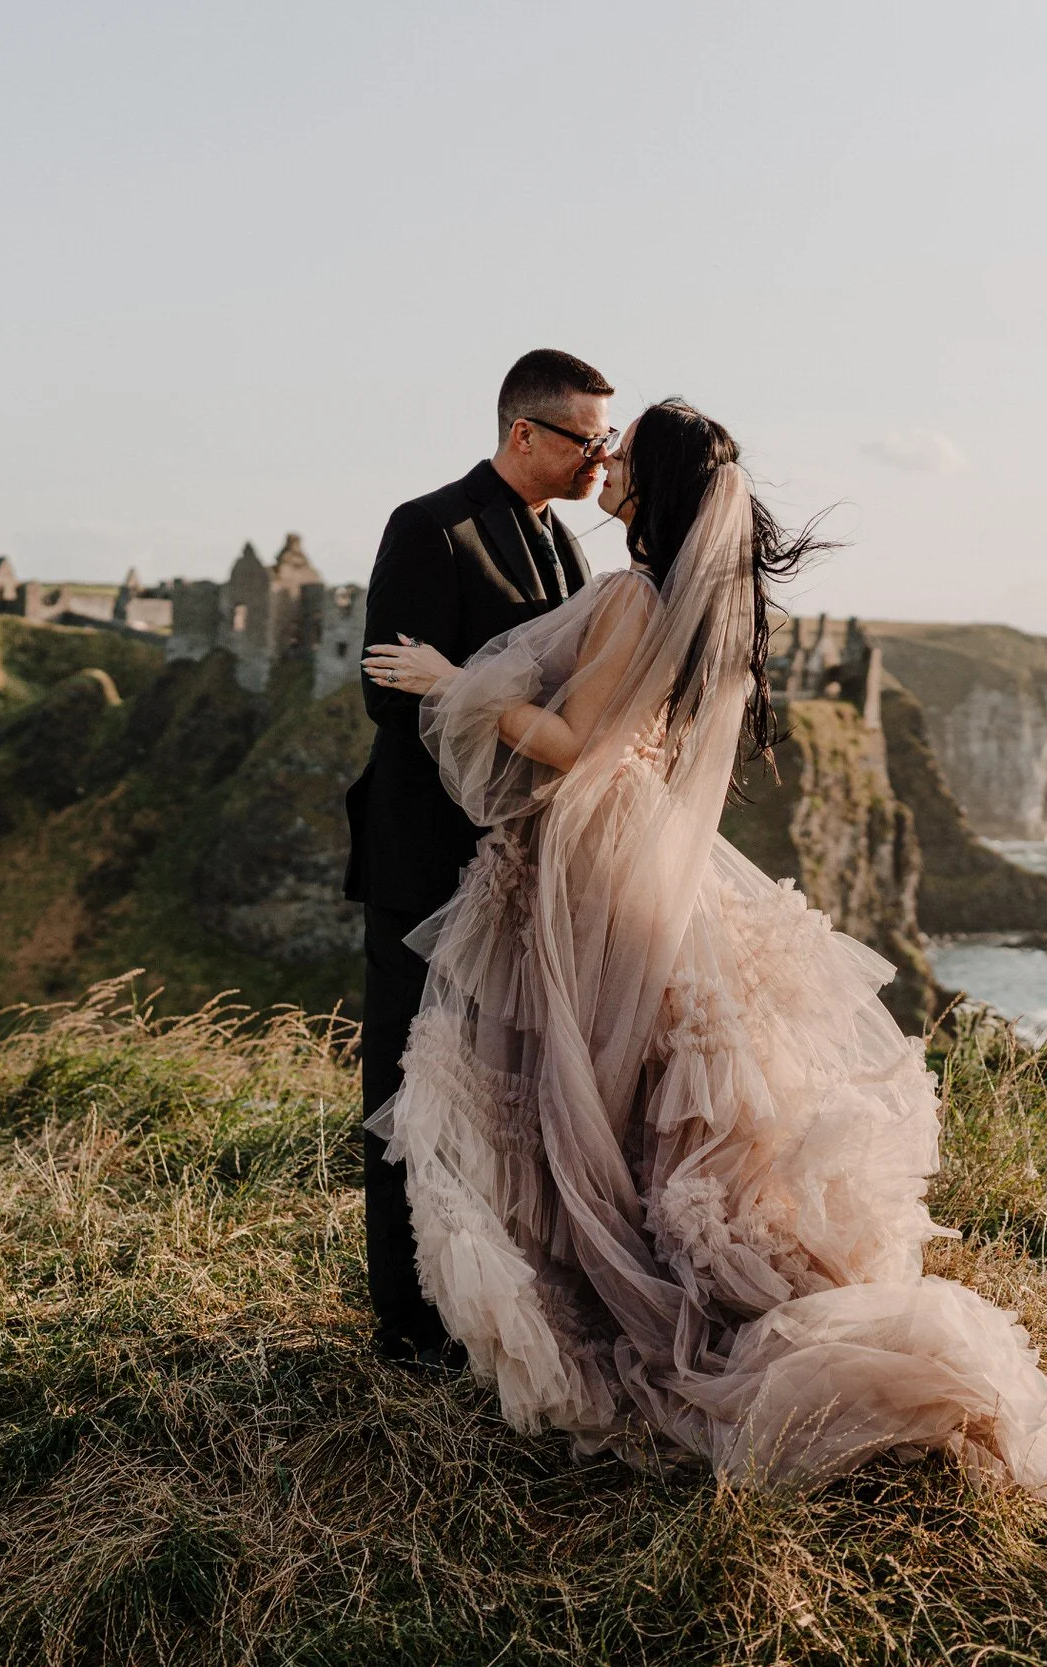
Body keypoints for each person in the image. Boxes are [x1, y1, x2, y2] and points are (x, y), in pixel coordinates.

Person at [361, 400, 1047, 1495]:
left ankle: (601, 1307)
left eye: (622, 456)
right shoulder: (698, 610)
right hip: (654, 853)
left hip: (593, 856)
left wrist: (454, 684)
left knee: (582, 1083)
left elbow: (575, 746)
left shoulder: (628, 592)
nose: (603, 465)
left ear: (649, 489)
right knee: (637, 1088)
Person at [345, 349, 615, 1370]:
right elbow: (386, 689)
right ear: (524, 435)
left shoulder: (569, 552)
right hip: (424, 856)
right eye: (588, 439)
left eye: (607, 442)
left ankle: (479, 1297)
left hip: (513, 865)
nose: (602, 458)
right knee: (407, 1089)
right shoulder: (431, 526)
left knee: (495, 1095)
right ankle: (406, 1325)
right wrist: (494, 703)